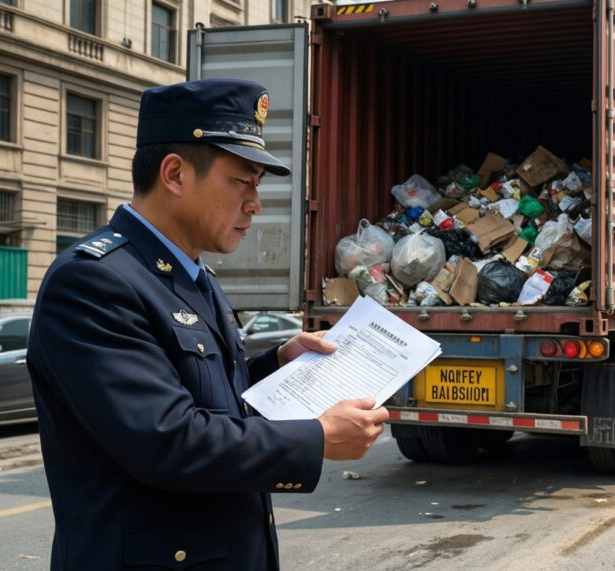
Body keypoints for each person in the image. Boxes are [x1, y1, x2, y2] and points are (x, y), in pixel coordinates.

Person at [27, 78, 389, 570]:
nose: (255, 204)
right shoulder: (94, 282)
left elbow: (209, 396)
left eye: (258, 185)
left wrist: (278, 363)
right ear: (175, 174)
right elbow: (167, 439)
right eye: (242, 181)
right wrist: (317, 437)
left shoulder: (194, 277)